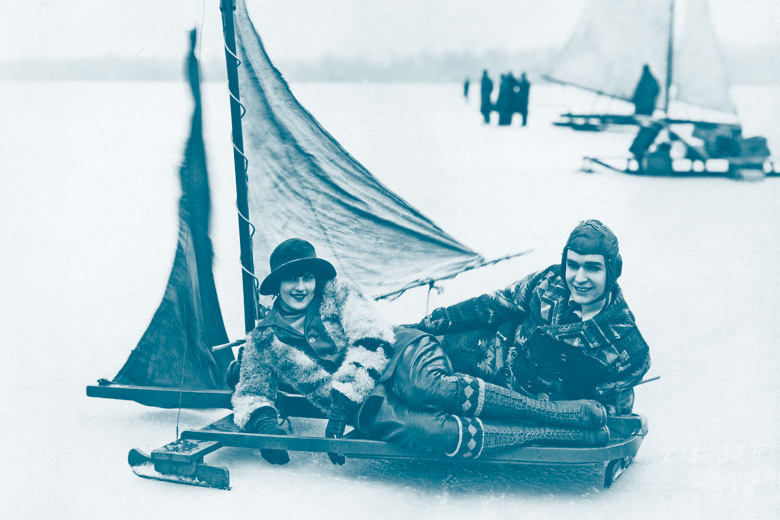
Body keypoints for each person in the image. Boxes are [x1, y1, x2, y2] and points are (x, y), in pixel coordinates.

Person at [356, 220, 650, 459]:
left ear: (613, 271)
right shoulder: (548, 284)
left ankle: (373, 410)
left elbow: (606, 416)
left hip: (507, 408)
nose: (579, 277)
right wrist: (426, 325)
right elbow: (490, 305)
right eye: (573, 265)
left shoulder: (628, 349)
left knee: (428, 410)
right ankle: (353, 385)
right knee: (404, 357)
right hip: (477, 352)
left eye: (593, 268)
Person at [229, 238, 394, 465]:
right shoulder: (264, 337)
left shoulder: (337, 294)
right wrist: (265, 428)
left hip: (391, 365)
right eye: (290, 279)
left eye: (308, 278)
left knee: (430, 386)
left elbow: (373, 336)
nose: (301, 288)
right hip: (370, 404)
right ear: (277, 284)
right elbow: (250, 393)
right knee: (430, 428)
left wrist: (342, 405)